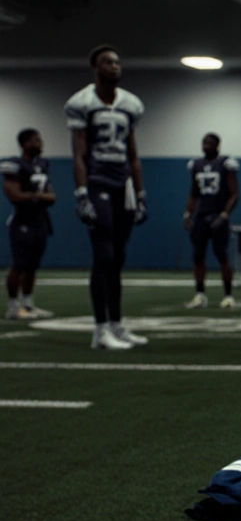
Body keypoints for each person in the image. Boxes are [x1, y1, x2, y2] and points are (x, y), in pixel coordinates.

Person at [65, 45, 149, 350]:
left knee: (118, 259)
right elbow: (79, 153)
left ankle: (116, 324)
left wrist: (140, 193)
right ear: (95, 68)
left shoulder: (130, 104)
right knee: (104, 255)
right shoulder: (82, 102)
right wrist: (82, 194)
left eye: (117, 60)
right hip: (98, 181)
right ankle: (100, 331)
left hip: (122, 184)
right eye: (107, 62)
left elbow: (134, 154)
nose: (114, 65)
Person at [3, 129, 56, 320]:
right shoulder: (15, 165)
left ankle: (28, 304)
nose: (40, 143)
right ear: (25, 144)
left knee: (33, 266)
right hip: (21, 221)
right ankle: (13, 307)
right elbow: (14, 195)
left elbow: (52, 196)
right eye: (36, 140)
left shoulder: (42, 164)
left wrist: (36, 197)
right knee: (19, 264)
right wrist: (38, 197)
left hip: (40, 220)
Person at [183, 133, 240, 309]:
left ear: (217, 145)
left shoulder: (225, 164)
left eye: (209, 143)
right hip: (201, 214)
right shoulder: (196, 165)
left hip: (218, 214)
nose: (205, 146)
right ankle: (200, 295)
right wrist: (188, 212)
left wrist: (224, 214)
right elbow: (194, 193)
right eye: (204, 142)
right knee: (198, 255)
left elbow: (234, 193)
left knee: (221, 254)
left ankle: (228, 296)